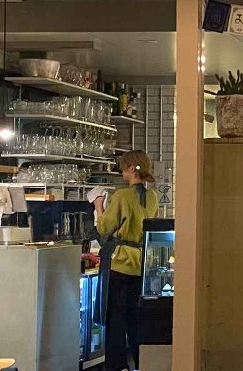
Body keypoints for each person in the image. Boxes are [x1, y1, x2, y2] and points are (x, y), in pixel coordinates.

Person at [94, 150, 159, 371]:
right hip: (141, 263)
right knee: (136, 318)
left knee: (115, 318)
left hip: (120, 262)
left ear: (131, 168)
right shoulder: (152, 197)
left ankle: (116, 366)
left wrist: (99, 206)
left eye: (123, 167)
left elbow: (104, 228)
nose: (121, 171)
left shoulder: (122, 196)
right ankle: (141, 363)